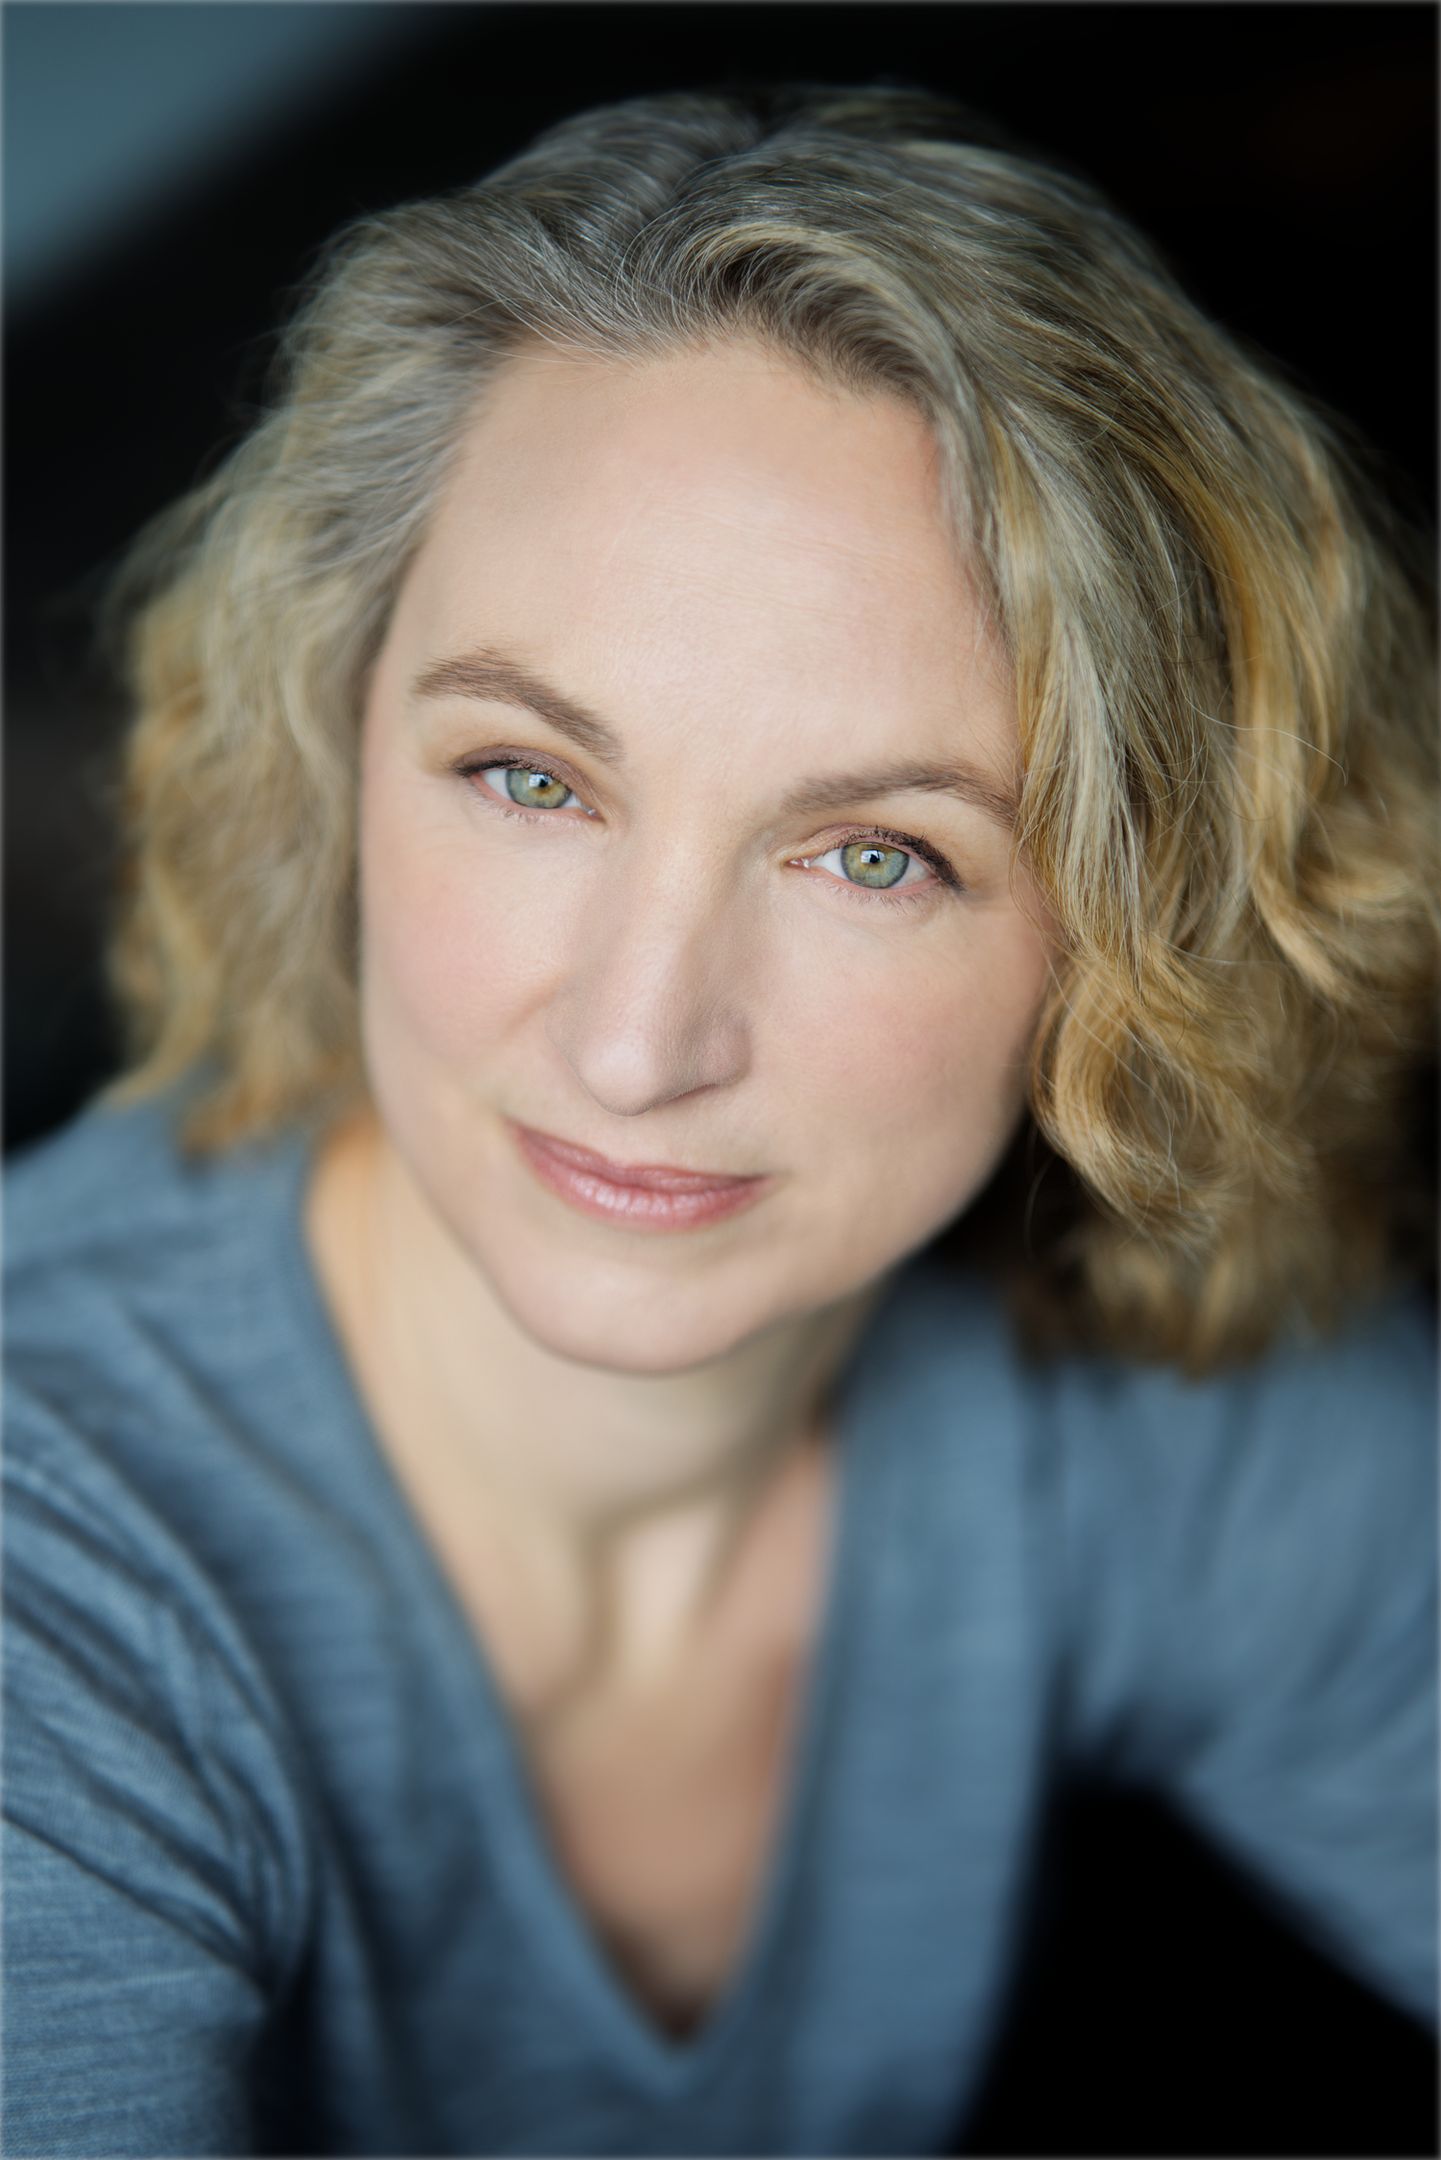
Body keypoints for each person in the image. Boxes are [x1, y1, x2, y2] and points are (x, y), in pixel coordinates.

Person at [3, 81, 1435, 2159]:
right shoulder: (46, 1585)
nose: (634, 1043)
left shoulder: (1132, 1391)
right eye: (528, 778)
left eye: (875, 855)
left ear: (1144, 932)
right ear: (334, 745)